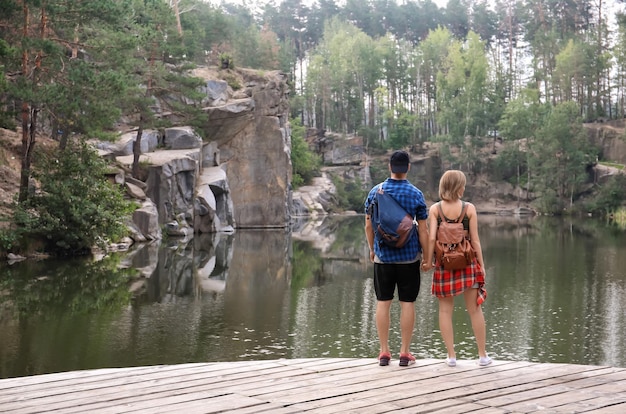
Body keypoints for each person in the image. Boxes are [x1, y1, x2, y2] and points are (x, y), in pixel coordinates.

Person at [364, 150, 429, 367]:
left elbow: (368, 224)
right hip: (409, 258)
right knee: (407, 303)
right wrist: (427, 257)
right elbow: (424, 231)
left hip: (383, 257)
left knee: (383, 302)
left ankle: (384, 352)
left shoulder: (375, 192)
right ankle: (405, 352)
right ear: (408, 167)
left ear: (389, 166)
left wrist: (372, 250)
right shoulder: (416, 194)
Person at [423, 170, 491, 367]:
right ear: (458, 187)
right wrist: (482, 265)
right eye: (463, 184)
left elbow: (432, 238)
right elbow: (475, 240)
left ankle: (451, 357)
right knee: (475, 310)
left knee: (445, 311)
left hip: (444, 265)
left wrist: (428, 261)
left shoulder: (435, 209)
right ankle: (482, 356)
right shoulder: (469, 209)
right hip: (467, 263)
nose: (464, 187)